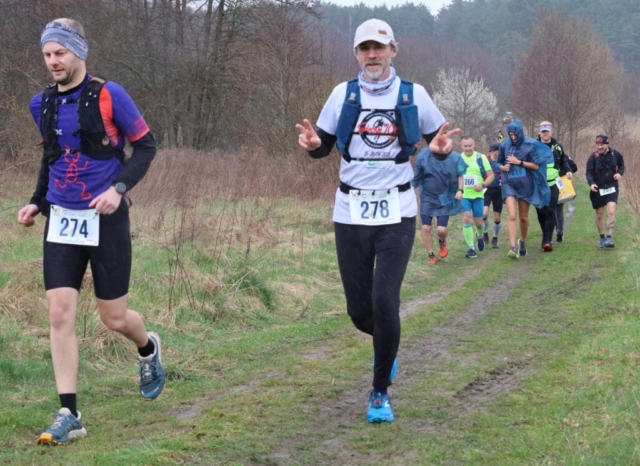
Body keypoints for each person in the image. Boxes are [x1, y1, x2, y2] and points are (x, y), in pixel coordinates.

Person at [295, 18, 458, 423]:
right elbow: (323, 145)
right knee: (358, 311)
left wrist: (440, 150)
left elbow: (438, 140)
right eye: (365, 48)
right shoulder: (342, 94)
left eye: (379, 48)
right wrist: (313, 146)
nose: (372, 55)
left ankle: (379, 392)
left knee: (385, 301)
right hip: (350, 211)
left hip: (397, 211)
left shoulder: (413, 94)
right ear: (356, 54)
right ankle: (387, 348)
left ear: (393, 51)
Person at [17, 19, 165, 445]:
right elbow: (52, 157)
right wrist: (37, 201)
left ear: (79, 51)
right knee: (59, 313)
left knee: (113, 317)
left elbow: (146, 146)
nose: (53, 62)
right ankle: (69, 413)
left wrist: (119, 189)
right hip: (62, 220)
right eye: (47, 54)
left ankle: (148, 346)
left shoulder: (109, 95)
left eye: (60, 53)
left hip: (106, 219)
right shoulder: (40, 104)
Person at [497, 119, 553, 259]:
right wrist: (503, 167)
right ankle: (513, 248)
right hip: (509, 183)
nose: (513, 137)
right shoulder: (504, 145)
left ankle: (522, 241)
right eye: (510, 135)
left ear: (520, 133)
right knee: (512, 216)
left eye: (515, 134)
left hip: (525, 184)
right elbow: (498, 163)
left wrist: (519, 162)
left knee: (523, 217)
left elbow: (536, 166)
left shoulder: (530, 145)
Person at [411, 147, 466, 264]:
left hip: (444, 197)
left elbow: (460, 174)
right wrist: (410, 191)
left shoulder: (453, 156)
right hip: (427, 197)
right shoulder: (424, 155)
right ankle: (431, 255)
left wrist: (460, 190)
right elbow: (417, 176)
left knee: (441, 230)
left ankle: (442, 241)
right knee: (425, 227)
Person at [535, 121, 572, 251]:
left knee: (551, 210)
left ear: (552, 131)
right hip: (538, 184)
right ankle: (545, 234)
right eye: (543, 131)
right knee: (541, 212)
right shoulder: (533, 146)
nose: (545, 133)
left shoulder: (558, 146)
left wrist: (568, 170)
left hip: (553, 183)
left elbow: (564, 160)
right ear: (539, 132)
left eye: (547, 131)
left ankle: (547, 240)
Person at [586, 134, 625, 248]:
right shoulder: (593, 157)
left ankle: (609, 238)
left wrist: (619, 173)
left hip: (612, 186)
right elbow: (589, 172)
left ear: (607, 144)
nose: (599, 147)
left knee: (611, 211)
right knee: (599, 215)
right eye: (598, 145)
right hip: (598, 189)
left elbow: (622, 166)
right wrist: (591, 183)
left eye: (602, 145)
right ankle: (602, 238)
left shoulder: (616, 154)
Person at [460, 136, 494, 258]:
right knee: (466, 218)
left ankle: (479, 235)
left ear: (474, 145)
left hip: (478, 195)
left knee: (479, 223)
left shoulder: (481, 157)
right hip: (464, 195)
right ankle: (471, 248)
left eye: (470, 146)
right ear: (462, 146)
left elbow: (491, 175)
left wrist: (483, 185)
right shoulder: (458, 158)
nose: (468, 148)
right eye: (465, 146)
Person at [482, 141, 503, 248]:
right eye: (492, 151)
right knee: (484, 213)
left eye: (495, 151)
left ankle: (495, 238)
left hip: (498, 191)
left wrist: (503, 179)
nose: (493, 153)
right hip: (487, 190)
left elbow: (506, 172)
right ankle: (485, 233)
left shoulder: (502, 160)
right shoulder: (485, 159)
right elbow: (480, 172)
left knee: (497, 217)